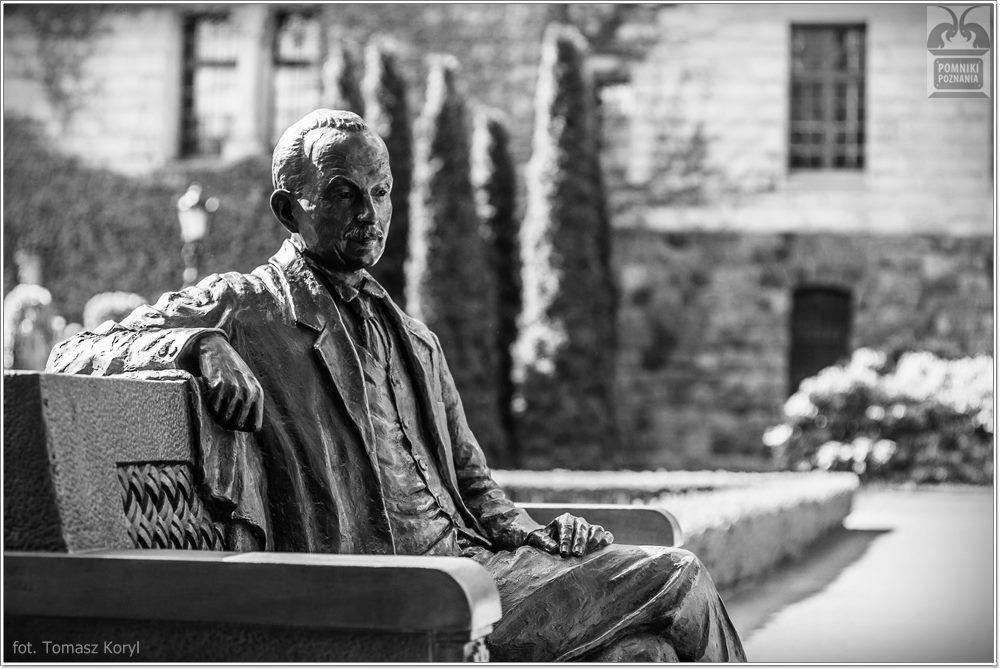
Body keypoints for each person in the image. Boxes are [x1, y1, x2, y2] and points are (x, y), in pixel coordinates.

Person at [47, 109, 746, 662]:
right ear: (290, 210)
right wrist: (198, 343)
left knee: (645, 654)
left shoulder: (414, 339)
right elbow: (73, 352)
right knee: (677, 574)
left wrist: (542, 534)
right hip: (391, 590)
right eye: (344, 194)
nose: (369, 214)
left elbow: (476, 488)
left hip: (477, 568)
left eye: (380, 193)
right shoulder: (247, 306)